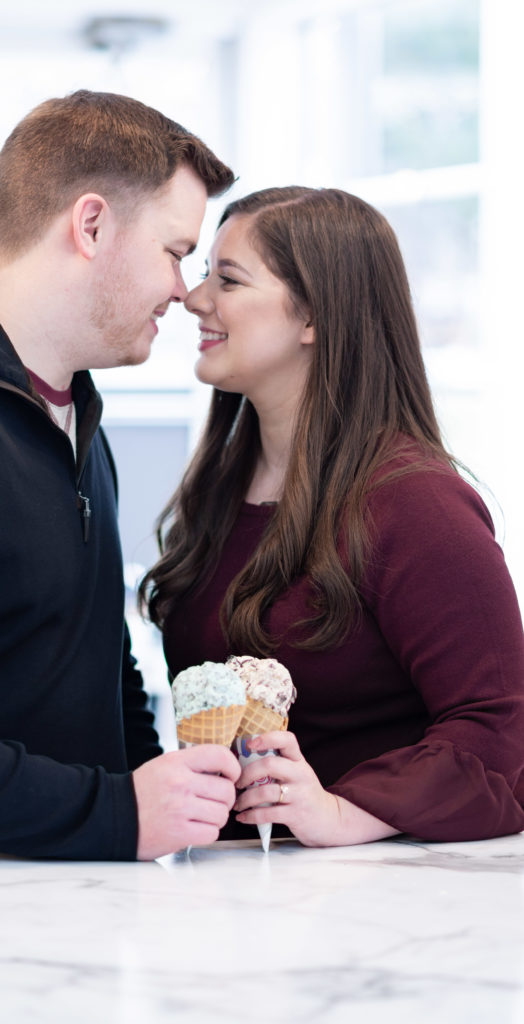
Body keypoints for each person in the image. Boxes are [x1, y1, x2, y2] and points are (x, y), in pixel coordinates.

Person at [0, 90, 241, 860]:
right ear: (90, 225)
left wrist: (160, 798)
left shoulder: (77, 417)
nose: (185, 292)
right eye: (175, 252)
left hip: (67, 907)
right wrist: (115, 814)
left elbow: (95, 652)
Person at [141, 185, 524, 846]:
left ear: (314, 314)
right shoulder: (219, 491)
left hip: (368, 910)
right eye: (205, 274)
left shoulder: (418, 505)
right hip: (229, 895)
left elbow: (499, 732)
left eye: (227, 280)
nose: (194, 299)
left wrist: (345, 812)